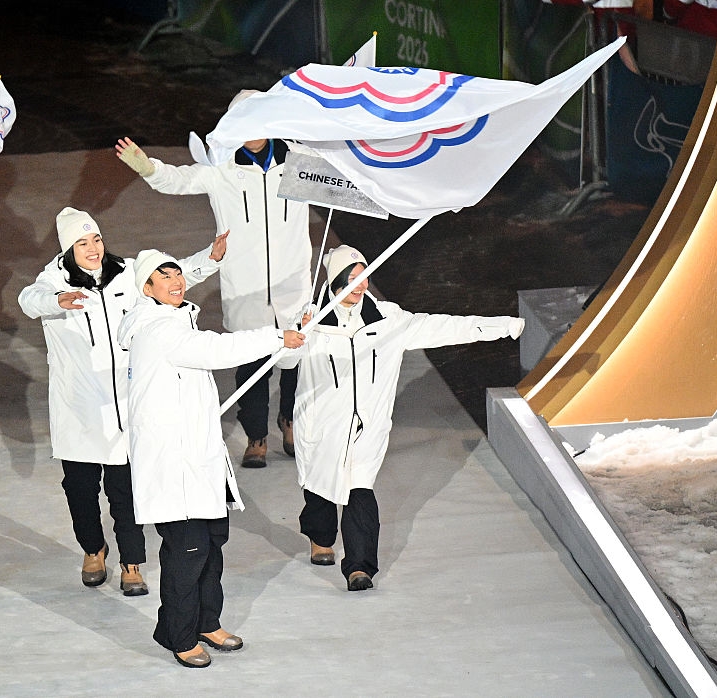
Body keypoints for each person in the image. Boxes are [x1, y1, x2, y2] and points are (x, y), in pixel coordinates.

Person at [281, 246, 524, 592]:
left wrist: (502, 326)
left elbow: (442, 327)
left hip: (367, 429)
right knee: (320, 490)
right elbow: (284, 363)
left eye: (364, 277)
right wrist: (298, 334)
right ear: (335, 280)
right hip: (321, 427)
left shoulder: (389, 321)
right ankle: (320, 538)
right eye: (352, 279)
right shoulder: (311, 321)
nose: (361, 286)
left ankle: (359, 567)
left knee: (358, 489)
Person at [17, 207, 228, 596]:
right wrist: (58, 300)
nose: (93, 248)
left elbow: (170, 276)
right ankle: (93, 550)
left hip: (127, 405)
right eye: (82, 243)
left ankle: (132, 563)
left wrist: (209, 260)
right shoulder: (52, 279)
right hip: (79, 409)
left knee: (125, 490)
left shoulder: (127, 273)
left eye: (96, 239)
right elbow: (29, 299)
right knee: (79, 490)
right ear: (68, 248)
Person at [116, 250, 305, 668]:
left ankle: (206, 622)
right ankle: (179, 636)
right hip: (173, 464)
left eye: (177, 273)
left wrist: (288, 334)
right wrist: (277, 338)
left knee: (212, 545)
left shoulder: (177, 320)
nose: (175, 281)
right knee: (187, 552)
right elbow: (215, 350)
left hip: (199, 458)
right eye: (163, 277)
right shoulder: (156, 329)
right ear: (146, 288)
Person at [115, 91, 313, 469]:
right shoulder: (223, 171)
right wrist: (147, 167)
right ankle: (256, 435)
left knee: (296, 358)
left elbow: (345, 178)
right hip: (246, 289)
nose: (252, 130)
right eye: (243, 122)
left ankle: (290, 420)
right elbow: (175, 180)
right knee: (251, 360)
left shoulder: (300, 162)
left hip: (292, 284)